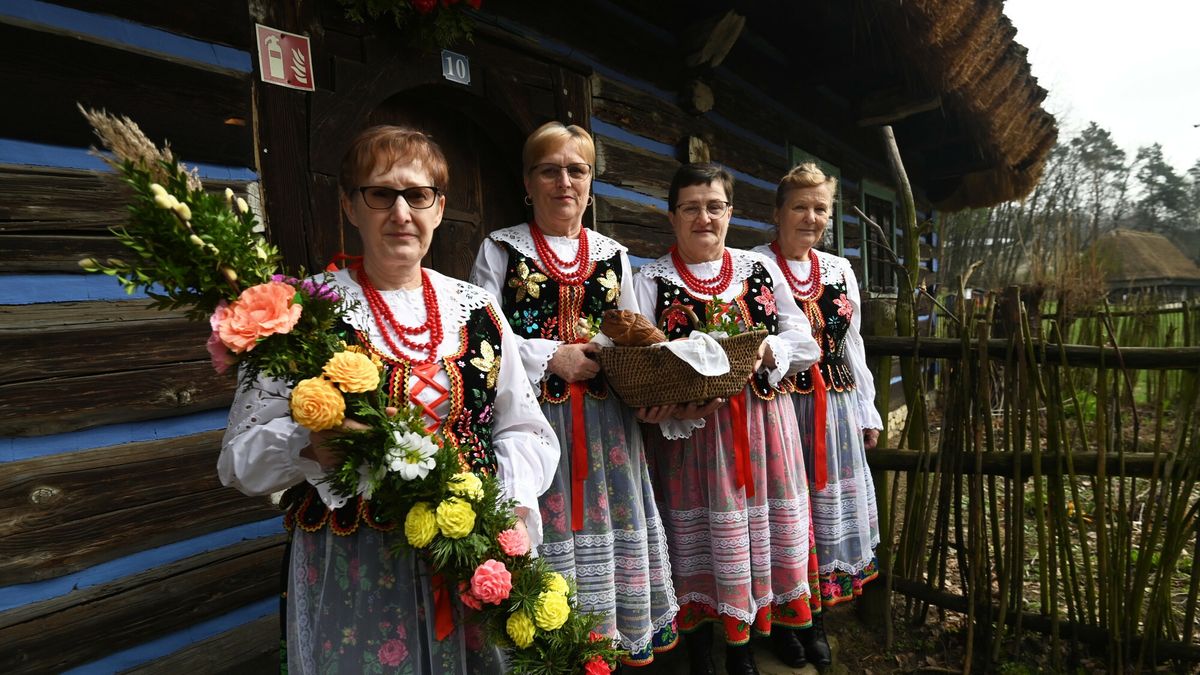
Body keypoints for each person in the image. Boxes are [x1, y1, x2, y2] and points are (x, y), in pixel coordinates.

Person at [219, 125, 560, 674]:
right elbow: (238, 460)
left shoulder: (477, 309)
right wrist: (308, 447)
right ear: (351, 207)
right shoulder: (308, 313)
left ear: (440, 207)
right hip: (355, 561)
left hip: (468, 550)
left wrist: (512, 505)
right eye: (380, 193)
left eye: (417, 195)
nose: (401, 212)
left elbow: (522, 428)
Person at [470, 121, 678, 668]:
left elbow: (632, 330)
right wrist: (550, 357)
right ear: (528, 181)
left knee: (611, 530)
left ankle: (603, 646)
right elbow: (480, 335)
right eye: (549, 169)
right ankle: (550, 652)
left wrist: (653, 381)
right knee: (544, 531)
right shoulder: (499, 250)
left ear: (590, 182)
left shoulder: (613, 253)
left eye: (577, 170)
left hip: (611, 426)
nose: (564, 181)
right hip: (533, 426)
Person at [634, 163, 823, 675]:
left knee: (761, 534)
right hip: (692, 435)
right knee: (700, 541)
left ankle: (747, 643)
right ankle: (700, 647)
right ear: (672, 217)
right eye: (691, 207)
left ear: (730, 213)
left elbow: (803, 341)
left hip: (764, 427)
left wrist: (765, 348)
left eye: (714, 206)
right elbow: (637, 358)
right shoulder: (650, 280)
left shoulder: (757, 271)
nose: (704, 218)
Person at [751, 162, 883, 664]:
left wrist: (868, 411)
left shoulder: (839, 269)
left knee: (824, 515)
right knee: (787, 516)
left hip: (839, 409)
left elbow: (854, 345)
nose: (811, 217)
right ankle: (785, 623)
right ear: (778, 212)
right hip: (782, 407)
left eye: (820, 208)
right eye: (800, 207)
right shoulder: (754, 264)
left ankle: (818, 619)